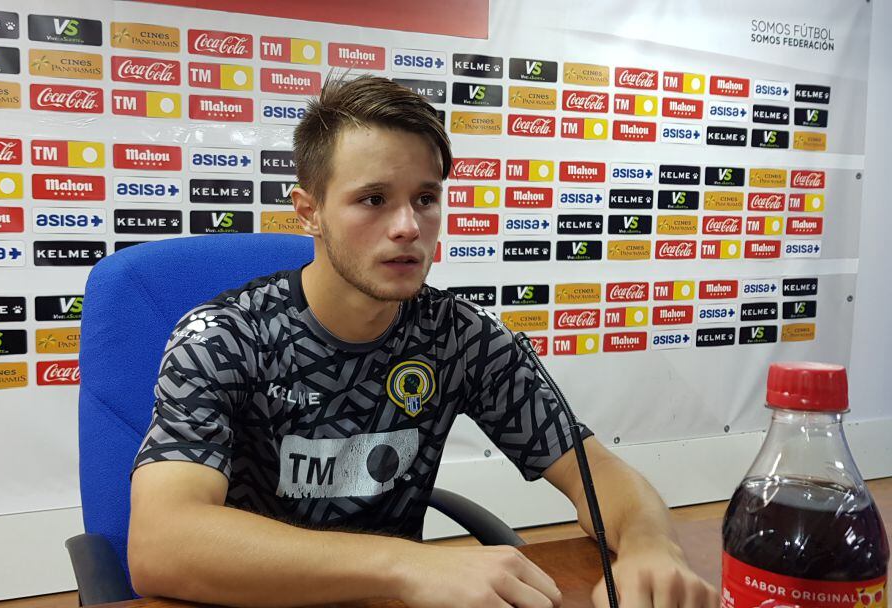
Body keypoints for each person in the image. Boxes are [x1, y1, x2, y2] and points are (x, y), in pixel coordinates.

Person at [128, 74, 718, 608]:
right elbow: (162, 543)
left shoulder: (461, 336)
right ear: (309, 213)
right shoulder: (225, 336)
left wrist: (650, 544)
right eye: (374, 199)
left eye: (426, 198)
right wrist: (404, 564)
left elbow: (596, 471)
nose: (408, 226)